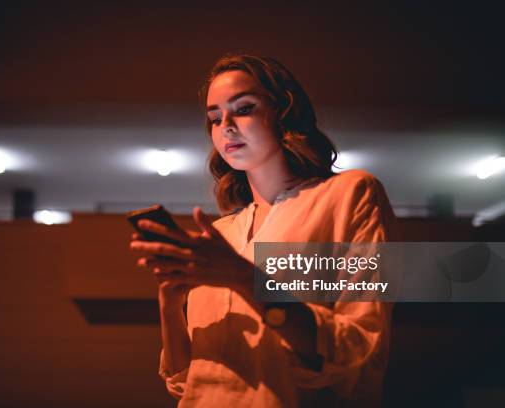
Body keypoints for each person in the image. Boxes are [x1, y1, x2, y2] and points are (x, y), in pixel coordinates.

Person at [129, 54, 396, 407]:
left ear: (283, 111)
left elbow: (358, 348)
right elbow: (184, 384)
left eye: (243, 108)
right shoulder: (219, 235)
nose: (225, 125)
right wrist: (170, 300)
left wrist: (242, 277)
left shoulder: (349, 194)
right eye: (214, 117)